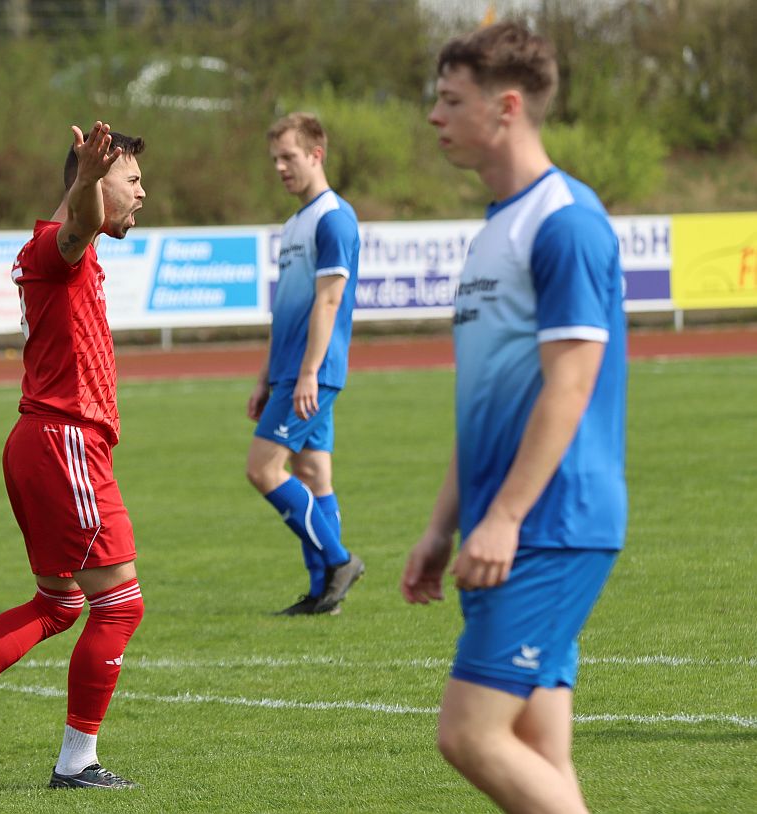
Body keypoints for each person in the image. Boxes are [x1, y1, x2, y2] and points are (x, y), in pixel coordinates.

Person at [401, 21, 626, 814]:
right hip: (515, 524)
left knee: (469, 734)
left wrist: (502, 519)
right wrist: (441, 525)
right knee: (537, 753)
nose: (434, 115)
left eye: (449, 99)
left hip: (552, 525)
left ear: (504, 108)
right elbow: (486, 400)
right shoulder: (497, 227)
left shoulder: (563, 222)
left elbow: (570, 386)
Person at [0, 121, 146, 791]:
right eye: (132, 180)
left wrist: (91, 186)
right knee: (119, 605)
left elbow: (84, 228)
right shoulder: (56, 244)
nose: (143, 193)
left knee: (60, 604)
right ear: (96, 184)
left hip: (46, 442)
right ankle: (77, 763)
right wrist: (90, 183)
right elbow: (78, 228)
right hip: (65, 440)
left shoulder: (73, 250)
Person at [245, 112, 365, 616]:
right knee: (313, 473)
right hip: (291, 371)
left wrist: (309, 372)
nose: (279, 167)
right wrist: (265, 377)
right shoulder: (296, 223)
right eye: (275, 158)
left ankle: (339, 561)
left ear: (316, 154)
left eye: (288, 156)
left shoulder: (333, 218)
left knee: (264, 469)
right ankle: (322, 595)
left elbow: (329, 302)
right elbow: (285, 309)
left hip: (312, 372)